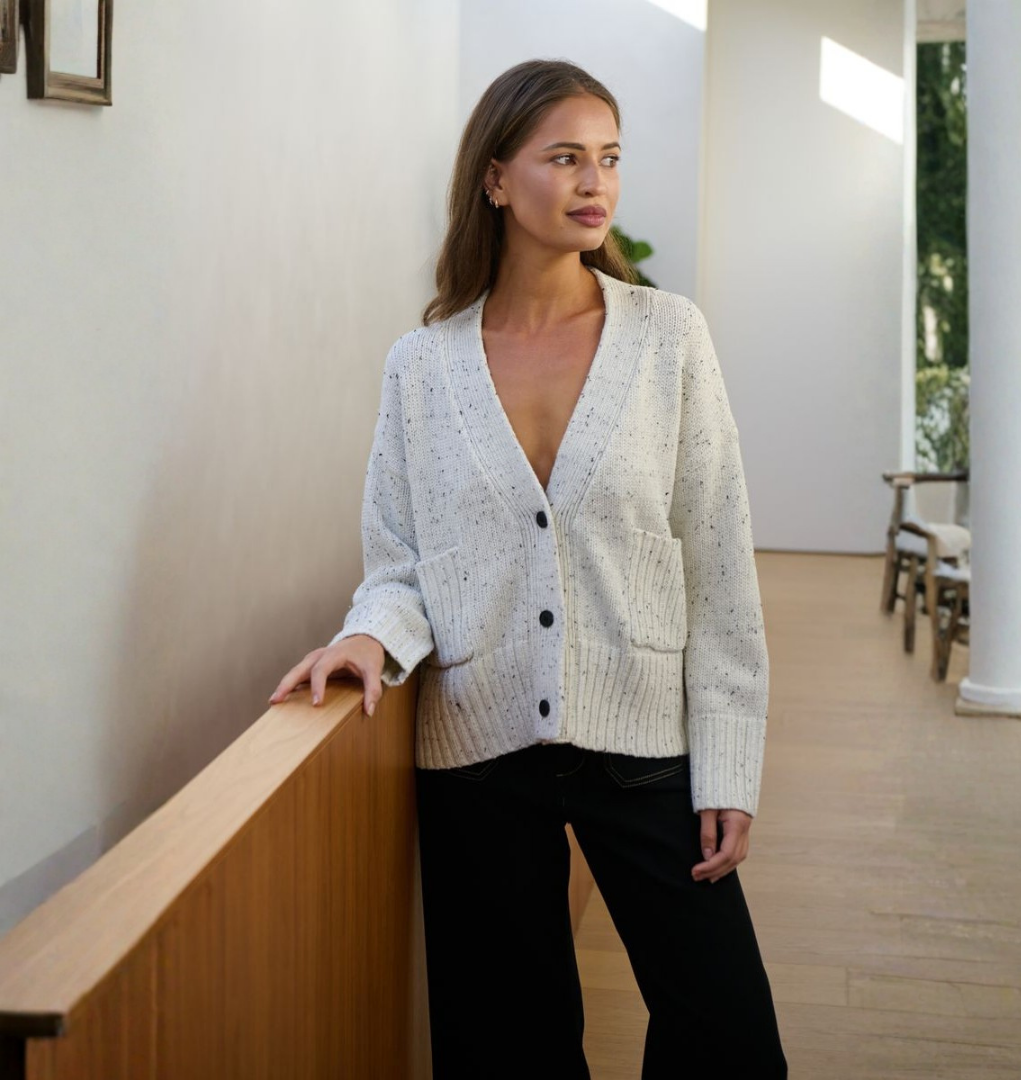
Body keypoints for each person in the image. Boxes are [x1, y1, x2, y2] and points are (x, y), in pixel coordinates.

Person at [270, 58, 787, 1080]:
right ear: (497, 179)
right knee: (507, 1049)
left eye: (610, 158)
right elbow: (401, 560)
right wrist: (370, 636)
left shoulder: (669, 339)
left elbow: (720, 565)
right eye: (566, 158)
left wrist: (730, 765)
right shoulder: (422, 366)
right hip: (480, 751)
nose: (596, 183)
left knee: (728, 1033)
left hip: (645, 740)